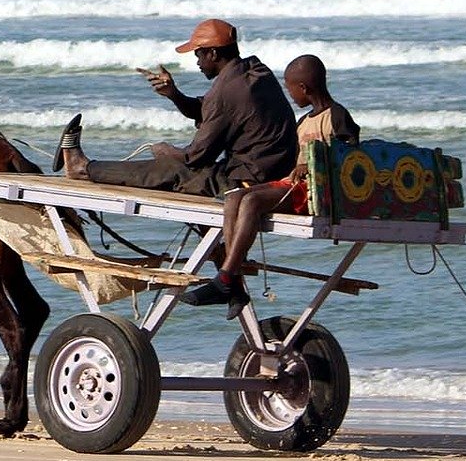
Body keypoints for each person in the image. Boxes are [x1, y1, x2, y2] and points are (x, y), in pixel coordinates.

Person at [181, 53, 360, 315]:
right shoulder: (303, 122)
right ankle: (232, 283)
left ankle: (226, 278)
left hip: (317, 193)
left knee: (252, 202)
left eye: (290, 89)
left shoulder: (336, 115)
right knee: (233, 196)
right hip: (294, 186)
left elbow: (352, 160)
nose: (290, 96)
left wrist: (311, 165)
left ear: (304, 88)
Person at [58, 18, 297, 198]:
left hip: (248, 185)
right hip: (272, 173)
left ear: (213, 53)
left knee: (169, 169)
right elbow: (213, 110)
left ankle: (83, 168)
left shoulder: (225, 90)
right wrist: (174, 94)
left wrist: (166, 151)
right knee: (182, 167)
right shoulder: (256, 72)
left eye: (199, 55)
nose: (197, 62)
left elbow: (195, 157)